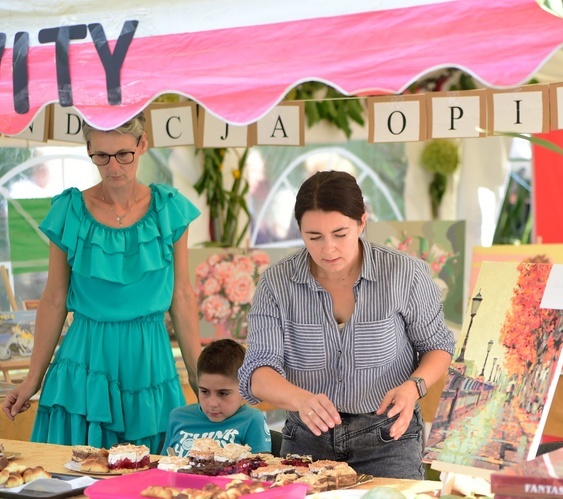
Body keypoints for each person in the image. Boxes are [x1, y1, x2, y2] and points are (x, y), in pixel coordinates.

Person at [1, 112, 202, 453]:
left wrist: (202, 379)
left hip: (150, 364)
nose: (114, 167)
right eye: (102, 156)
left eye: (123, 154)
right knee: (78, 474)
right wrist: (32, 378)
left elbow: (181, 295)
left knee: (152, 480)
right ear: (89, 149)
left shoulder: (169, 209)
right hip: (85, 363)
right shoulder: (71, 210)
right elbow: (53, 298)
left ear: (142, 145)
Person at [237, 170, 455, 479]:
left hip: (387, 438)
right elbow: (257, 372)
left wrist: (413, 387)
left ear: (362, 222)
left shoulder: (405, 274)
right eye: (314, 237)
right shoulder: (276, 284)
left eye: (340, 234)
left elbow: (437, 347)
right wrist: (301, 399)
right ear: (299, 230)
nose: (329, 249)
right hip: (306, 441)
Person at [161, 339, 271, 457]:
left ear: (244, 389)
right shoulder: (178, 417)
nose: (212, 403)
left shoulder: (252, 420)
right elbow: (163, 465)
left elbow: (260, 469)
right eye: (204, 391)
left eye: (223, 393)